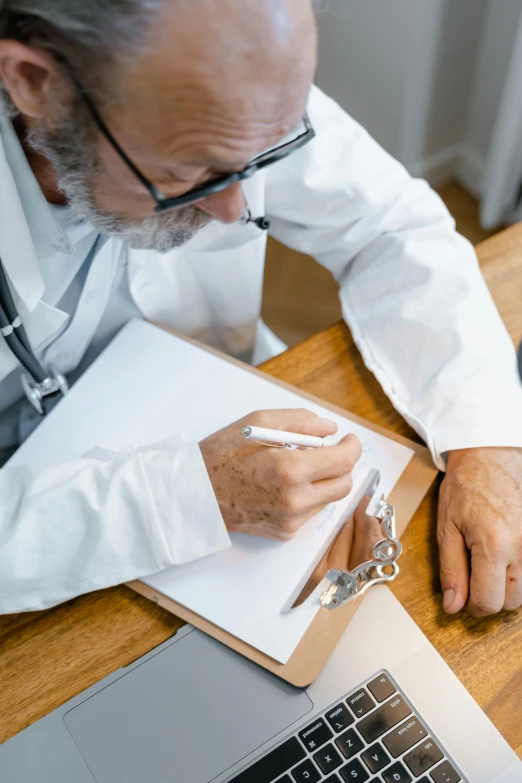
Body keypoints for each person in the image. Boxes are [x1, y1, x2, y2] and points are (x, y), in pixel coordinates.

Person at [0, 0, 520, 618]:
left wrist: (483, 442)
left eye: (264, 155)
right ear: (35, 82)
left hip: (208, 414)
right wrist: (183, 500)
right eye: (190, 171)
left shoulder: (226, 87)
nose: (233, 209)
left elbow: (390, 227)